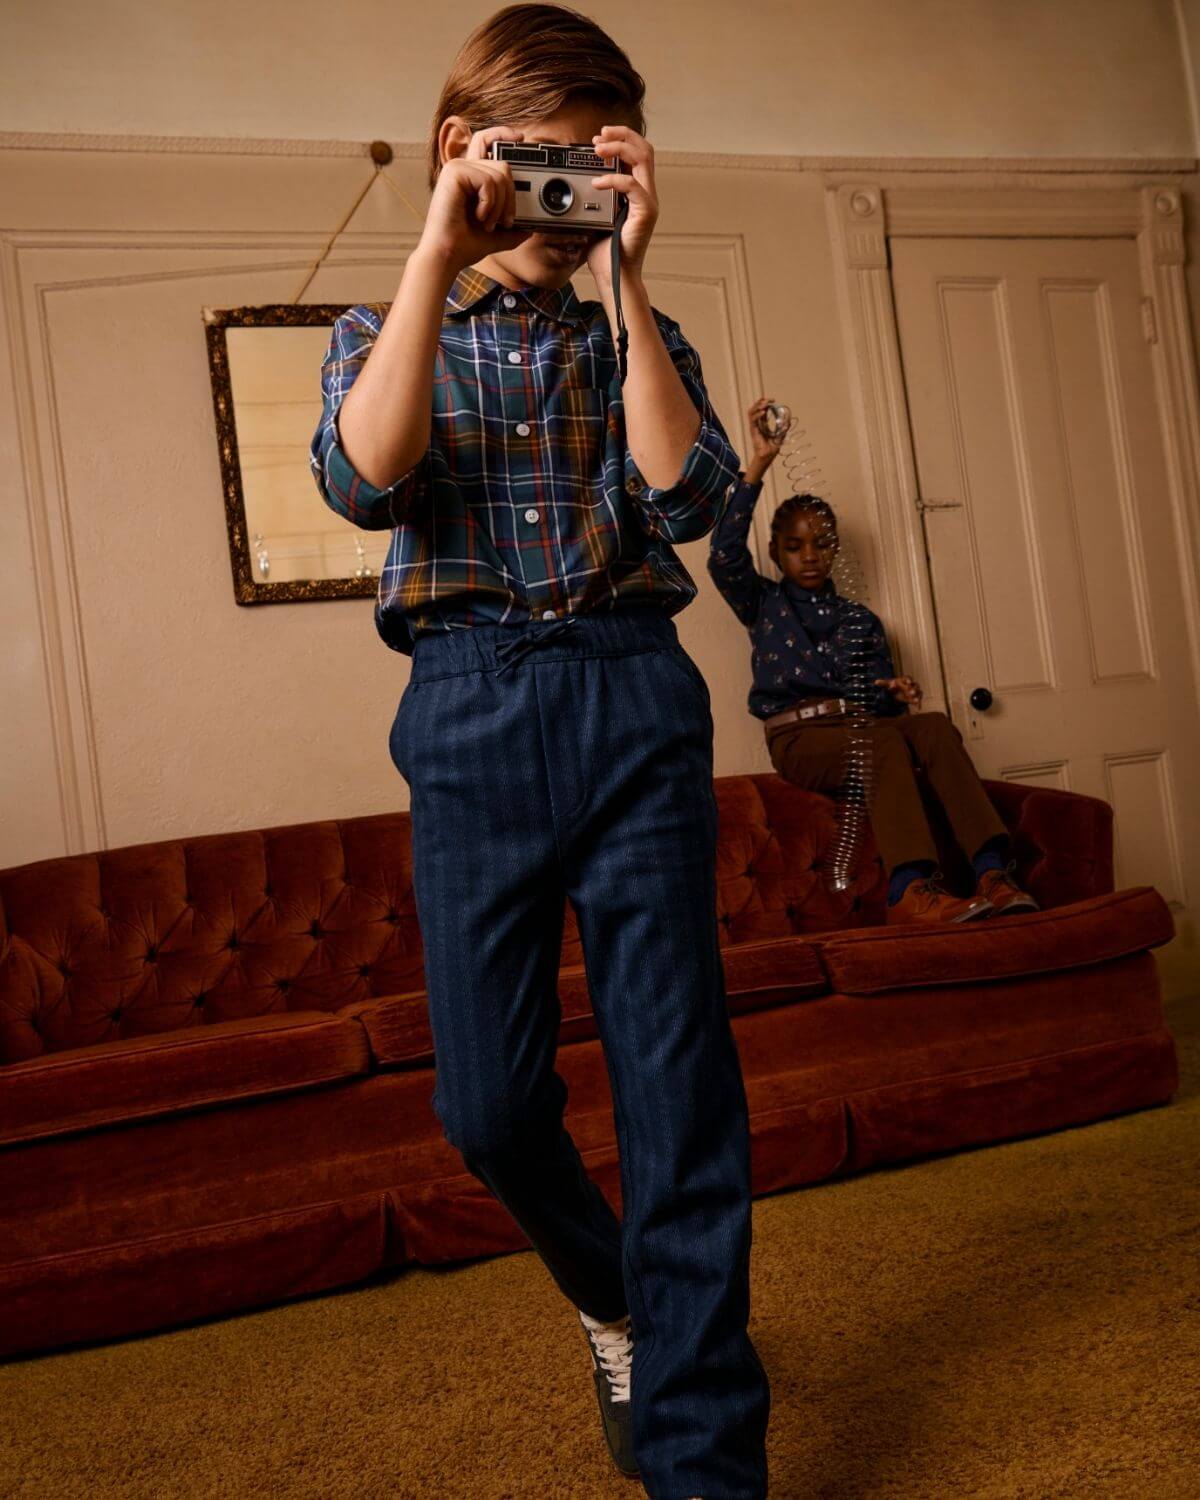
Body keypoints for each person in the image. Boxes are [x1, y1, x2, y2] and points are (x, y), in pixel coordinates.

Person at [308, 7, 769, 1496]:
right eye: (544, 167)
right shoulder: (386, 329)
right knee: (487, 1105)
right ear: (467, 148)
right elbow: (361, 485)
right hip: (471, 707)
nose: (569, 205)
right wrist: (436, 249)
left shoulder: (635, 323)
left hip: (636, 694)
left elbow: (687, 498)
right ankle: (616, 1291)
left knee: (677, 1091)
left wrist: (636, 274)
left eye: (597, 170)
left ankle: (705, 1465)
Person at [707, 397, 1039, 925]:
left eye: (820, 545)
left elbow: (883, 711)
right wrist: (761, 462)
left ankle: (993, 872)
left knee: (931, 727)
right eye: (796, 547)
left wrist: (896, 692)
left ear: (834, 549)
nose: (810, 555)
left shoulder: (860, 620)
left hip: (862, 729)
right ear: (776, 554)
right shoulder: (764, 603)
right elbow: (723, 554)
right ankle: (908, 889)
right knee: (879, 740)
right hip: (800, 740)